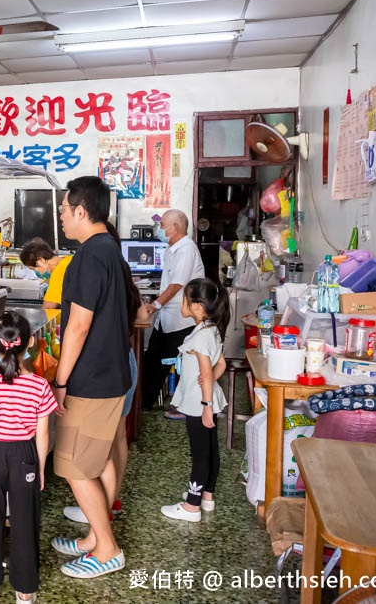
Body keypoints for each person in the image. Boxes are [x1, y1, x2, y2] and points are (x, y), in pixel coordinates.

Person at [49, 176, 129, 579]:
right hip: (112, 373)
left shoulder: (86, 257)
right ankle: (96, 539)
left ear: (81, 211)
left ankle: (107, 549)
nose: (61, 216)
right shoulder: (110, 250)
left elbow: (77, 326)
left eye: (64, 208)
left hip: (91, 379)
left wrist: (60, 382)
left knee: (76, 466)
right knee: (97, 460)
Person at [0, 311, 57, 603]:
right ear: (28, 343)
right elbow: (42, 434)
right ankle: (25, 589)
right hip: (24, 454)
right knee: (25, 520)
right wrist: (41, 467)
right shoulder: (40, 385)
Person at [63, 223, 150, 524]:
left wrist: (62, 380)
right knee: (115, 440)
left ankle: (102, 509)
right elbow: (141, 316)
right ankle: (107, 505)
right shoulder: (122, 277)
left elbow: (80, 325)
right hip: (123, 363)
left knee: (107, 444)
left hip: (107, 368)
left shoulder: (97, 265)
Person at [160, 278, 229, 522]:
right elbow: (220, 364)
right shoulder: (210, 329)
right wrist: (207, 382)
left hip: (200, 403)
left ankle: (191, 506)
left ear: (197, 306)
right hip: (206, 397)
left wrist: (206, 404)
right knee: (210, 450)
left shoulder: (200, 337)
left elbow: (208, 370)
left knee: (199, 454)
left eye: (185, 300)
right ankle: (206, 496)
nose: (183, 303)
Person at [141, 209, 206, 415]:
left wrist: (155, 305)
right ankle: (143, 403)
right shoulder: (172, 249)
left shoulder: (186, 249)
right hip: (167, 318)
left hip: (182, 319)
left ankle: (180, 406)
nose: (159, 230)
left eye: (162, 227)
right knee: (153, 359)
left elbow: (177, 284)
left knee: (177, 364)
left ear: (175, 228)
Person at [19, 238, 71, 309]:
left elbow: (48, 307)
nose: (36, 273)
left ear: (41, 261)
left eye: (33, 269)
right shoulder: (69, 259)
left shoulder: (59, 272)